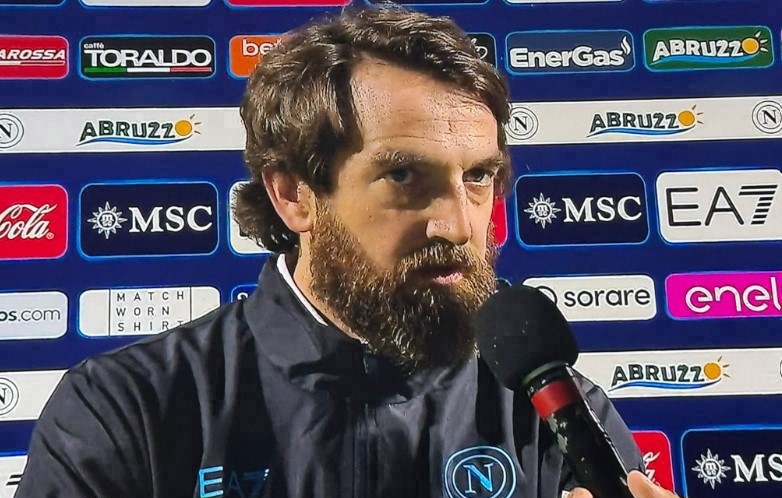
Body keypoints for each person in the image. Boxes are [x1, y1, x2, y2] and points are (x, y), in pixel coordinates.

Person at [16, 6, 680, 498]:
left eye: (477, 176)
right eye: (403, 176)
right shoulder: (128, 408)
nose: (458, 224)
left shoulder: (555, 413)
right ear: (293, 196)